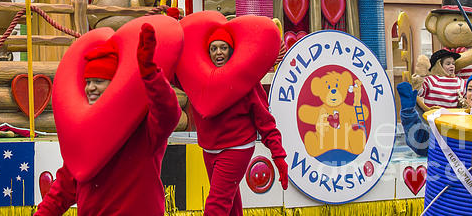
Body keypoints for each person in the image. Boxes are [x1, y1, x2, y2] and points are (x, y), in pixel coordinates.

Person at [35, 24, 181, 216]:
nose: (91, 88)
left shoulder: (142, 128)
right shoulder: (84, 133)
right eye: (88, 82)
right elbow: (63, 189)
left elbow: (168, 114)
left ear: (116, 86)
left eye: (99, 81)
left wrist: (151, 75)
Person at [194, 27, 288, 216]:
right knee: (230, 204)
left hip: (237, 148)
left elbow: (265, 122)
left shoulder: (246, 81)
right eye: (213, 49)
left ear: (231, 51)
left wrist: (279, 156)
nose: (218, 52)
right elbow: (174, 73)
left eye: (223, 48)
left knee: (217, 206)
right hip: (210, 149)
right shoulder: (199, 78)